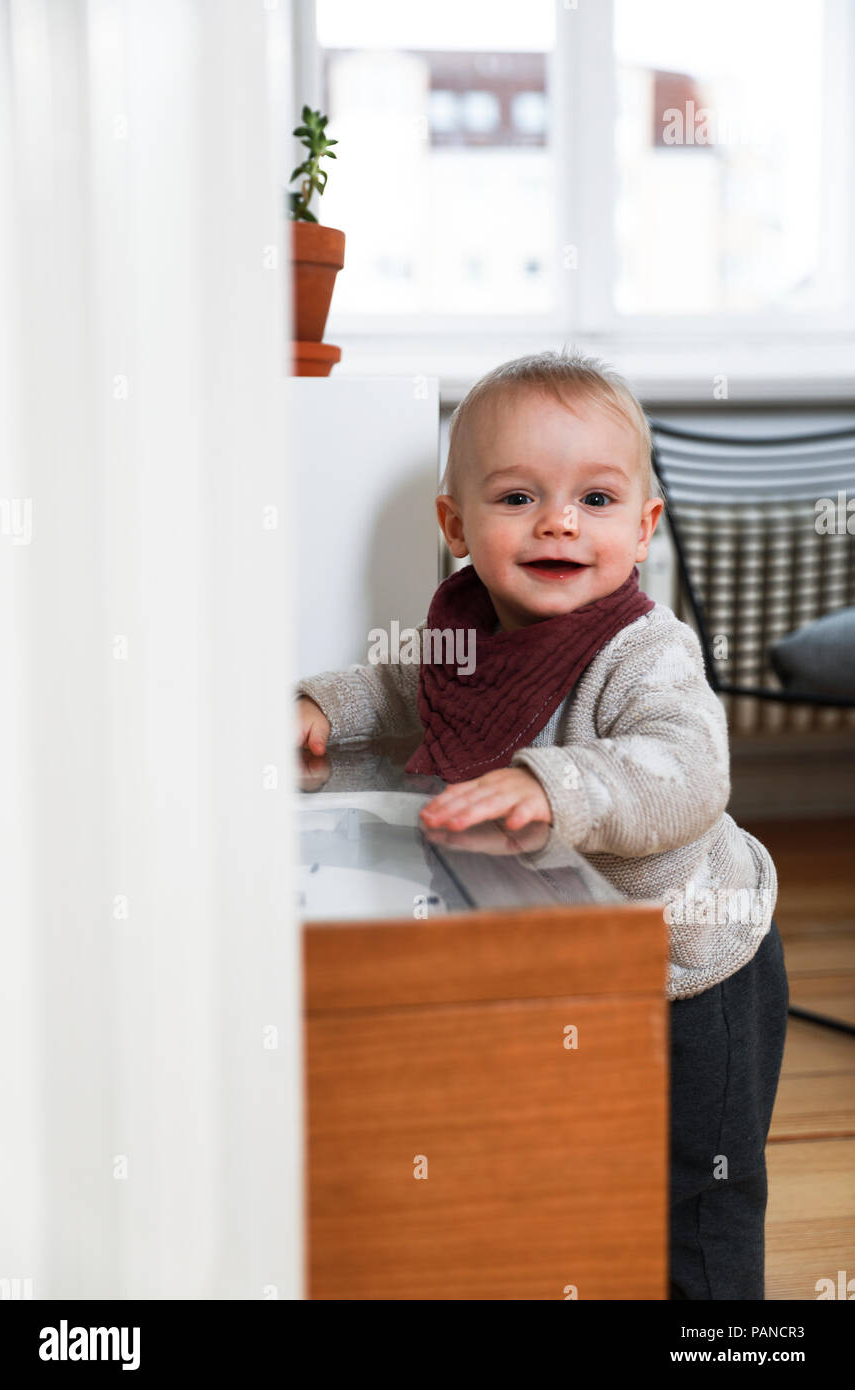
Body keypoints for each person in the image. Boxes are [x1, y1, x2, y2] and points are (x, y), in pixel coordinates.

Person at [295, 348, 789, 1300]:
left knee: (699, 1199)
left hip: (697, 967)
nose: (559, 520)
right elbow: (405, 686)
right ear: (457, 525)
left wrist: (551, 782)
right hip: (581, 961)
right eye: (518, 497)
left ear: (644, 528)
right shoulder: (470, 629)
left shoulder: (647, 652)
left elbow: (690, 772)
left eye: (596, 500)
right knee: (586, 1165)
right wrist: (324, 710)